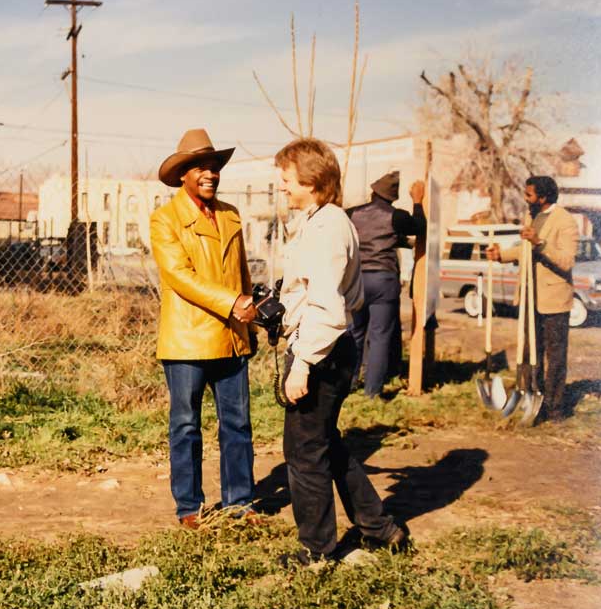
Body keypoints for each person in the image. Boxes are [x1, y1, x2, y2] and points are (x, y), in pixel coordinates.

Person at [275, 138, 407, 564]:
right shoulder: (317, 221)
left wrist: (303, 364)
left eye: (287, 180)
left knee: (304, 453)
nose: (282, 187)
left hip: (323, 350)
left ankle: (316, 550)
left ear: (311, 182)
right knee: (325, 443)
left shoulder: (329, 227)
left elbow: (327, 306)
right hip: (322, 345)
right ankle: (378, 527)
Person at [150, 128, 260, 528]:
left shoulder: (231, 215)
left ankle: (240, 504)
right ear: (183, 174)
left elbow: (242, 274)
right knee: (185, 425)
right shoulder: (164, 220)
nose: (210, 174)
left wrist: (251, 321)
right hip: (186, 342)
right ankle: (189, 508)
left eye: (214, 166)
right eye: (201, 167)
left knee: (238, 423)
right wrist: (232, 303)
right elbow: (180, 275)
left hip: (232, 338)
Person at [486, 176, 578, 423]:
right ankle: (531, 402)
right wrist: (501, 255)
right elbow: (524, 249)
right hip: (529, 297)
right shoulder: (531, 216)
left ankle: (555, 408)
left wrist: (540, 243)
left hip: (554, 299)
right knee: (528, 353)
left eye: (529, 195)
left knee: (555, 356)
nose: (525, 199)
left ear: (543, 197)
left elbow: (566, 260)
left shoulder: (565, 221)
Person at [346, 171, 426, 397]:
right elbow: (420, 227)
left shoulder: (352, 213)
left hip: (357, 279)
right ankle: (372, 391)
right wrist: (418, 202)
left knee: (355, 333)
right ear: (392, 197)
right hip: (383, 280)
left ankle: (349, 383)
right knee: (380, 336)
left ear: (373, 192)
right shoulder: (397, 216)